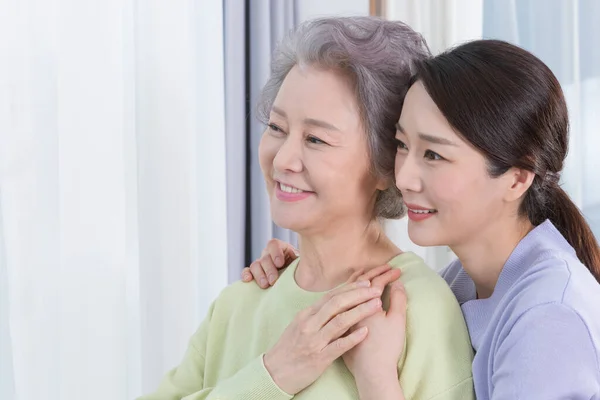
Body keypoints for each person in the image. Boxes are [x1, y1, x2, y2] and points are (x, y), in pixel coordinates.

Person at [138, 17, 475, 400]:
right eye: (276, 127)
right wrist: (274, 374)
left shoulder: (418, 310)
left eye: (315, 139)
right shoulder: (239, 303)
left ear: (386, 166)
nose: (283, 159)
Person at [244, 39, 600, 400]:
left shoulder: (547, 318)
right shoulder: (460, 282)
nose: (404, 178)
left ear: (517, 177)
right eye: (401, 145)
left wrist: (376, 377)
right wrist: (305, 270)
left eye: (433, 154)